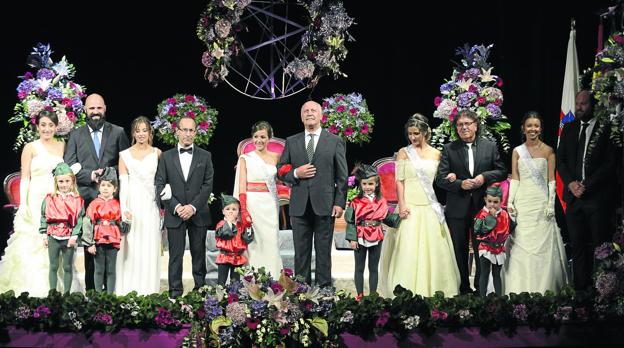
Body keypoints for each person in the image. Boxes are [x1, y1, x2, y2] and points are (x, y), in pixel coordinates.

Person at [0, 110, 83, 297]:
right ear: (37, 126)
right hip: (36, 198)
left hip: (57, 199)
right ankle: (32, 289)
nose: (47, 129)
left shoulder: (62, 145)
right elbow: (26, 178)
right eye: (43, 125)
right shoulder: (30, 147)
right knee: (36, 241)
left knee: (58, 239)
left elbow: (66, 172)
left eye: (50, 125)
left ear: (56, 127)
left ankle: (59, 290)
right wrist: (23, 204)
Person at [385, 114, 460, 297]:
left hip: (429, 207)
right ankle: (405, 292)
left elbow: (440, 179)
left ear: (425, 133)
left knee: (433, 253)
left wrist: (451, 177)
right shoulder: (404, 152)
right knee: (407, 251)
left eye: (416, 133)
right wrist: (402, 205)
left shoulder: (436, 154)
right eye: (410, 134)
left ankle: (433, 290)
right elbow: (399, 181)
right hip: (409, 207)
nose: (412, 137)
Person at [277, 100, 348, 286]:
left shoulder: (334, 141)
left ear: (321, 115)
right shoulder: (292, 141)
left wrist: (339, 203)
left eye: (313, 110)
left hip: (325, 205)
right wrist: (295, 173)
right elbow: (280, 169)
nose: (309, 113)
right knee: (301, 253)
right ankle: (302, 293)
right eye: (305, 110)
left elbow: (342, 176)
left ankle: (324, 294)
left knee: (323, 252)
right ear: (301, 116)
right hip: (299, 206)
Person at [436, 109, 507, 295]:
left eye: (468, 123)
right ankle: (463, 288)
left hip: (481, 210)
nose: (464, 127)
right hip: (457, 209)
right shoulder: (449, 149)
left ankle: (480, 289)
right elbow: (440, 179)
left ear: (476, 125)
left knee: (481, 250)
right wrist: (460, 184)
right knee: (459, 250)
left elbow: (501, 170)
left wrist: (484, 177)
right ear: (456, 128)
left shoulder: (489, 146)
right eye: (460, 125)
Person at [64, 93, 129, 291]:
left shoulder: (118, 132)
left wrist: (108, 174)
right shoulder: (76, 135)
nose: (95, 112)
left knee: (112, 250)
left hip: (112, 204)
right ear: (85, 110)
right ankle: (92, 293)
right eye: (91, 108)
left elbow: (126, 164)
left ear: (105, 108)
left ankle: (112, 292)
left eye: (98, 108)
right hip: (87, 201)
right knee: (90, 248)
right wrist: (91, 176)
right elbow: (68, 165)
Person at [557, 90, 617, 291]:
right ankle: (581, 290)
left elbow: (610, 163)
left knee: (600, 245)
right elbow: (561, 161)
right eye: (578, 103)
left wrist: (587, 185)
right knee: (577, 244)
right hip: (574, 198)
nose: (580, 107)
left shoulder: (606, 128)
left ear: (593, 105)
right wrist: (571, 183)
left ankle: (602, 291)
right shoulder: (569, 128)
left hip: (596, 198)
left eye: (584, 103)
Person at [503, 111, 568, 294]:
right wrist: (510, 202)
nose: (533, 129)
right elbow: (515, 179)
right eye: (529, 126)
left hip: (540, 205)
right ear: (523, 128)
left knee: (543, 247)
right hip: (523, 203)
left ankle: (545, 289)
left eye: (536, 126)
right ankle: (517, 290)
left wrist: (550, 204)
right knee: (520, 245)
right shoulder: (517, 151)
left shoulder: (548, 151)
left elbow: (551, 182)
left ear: (541, 129)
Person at [155, 116, 214, 298]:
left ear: (195, 133)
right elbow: (159, 184)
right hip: (175, 214)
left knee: (198, 254)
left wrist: (193, 207)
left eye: (191, 130)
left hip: (198, 213)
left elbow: (207, 185)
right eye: (184, 130)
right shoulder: (166, 157)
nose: (188, 134)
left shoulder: (205, 156)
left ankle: (200, 292)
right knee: (175, 256)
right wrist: (177, 206)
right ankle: (175, 293)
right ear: (177, 131)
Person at [116, 116, 162, 295]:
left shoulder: (157, 153)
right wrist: (124, 209)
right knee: (132, 247)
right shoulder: (124, 155)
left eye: (144, 130)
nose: (141, 134)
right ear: (133, 133)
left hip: (151, 206)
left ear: (150, 133)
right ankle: (128, 290)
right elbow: (124, 185)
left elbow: (161, 180)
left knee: (149, 247)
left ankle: (149, 291)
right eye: (138, 130)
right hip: (132, 205)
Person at [233, 121, 283, 278]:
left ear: (269, 138)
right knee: (254, 244)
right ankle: (253, 282)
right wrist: (243, 209)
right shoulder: (245, 158)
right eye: (255, 137)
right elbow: (241, 185)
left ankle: (273, 279)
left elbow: (284, 178)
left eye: (263, 136)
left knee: (271, 242)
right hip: (252, 203)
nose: (259, 140)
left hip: (270, 203)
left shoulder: (276, 157)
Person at [344, 163, 400, 300]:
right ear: (360, 184)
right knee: (359, 267)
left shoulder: (381, 201)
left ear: (376, 185)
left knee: (373, 268)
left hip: (376, 235)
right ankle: (359, 295)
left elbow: (387, 218)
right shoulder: (355, 202)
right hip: (360, 236)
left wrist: (400, 217)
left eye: (370, 184)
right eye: (364, 184)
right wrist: (352, 239)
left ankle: (373, 295)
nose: (367, 187)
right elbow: (351, 221)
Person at [39, 163, 85, 294]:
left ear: (72, 181)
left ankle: (66, 294)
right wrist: (44, 235)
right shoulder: (49, 198)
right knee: (53, 266)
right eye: (61, 181)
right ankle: (52, 293)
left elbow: (79, 220)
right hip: (53, 236)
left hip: (68, 238)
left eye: (67, 181)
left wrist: (74, 236)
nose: (64, 184)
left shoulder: (77, 200)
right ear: (56, 182)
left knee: (67, 266)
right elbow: (43, 216)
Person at [82, 168, 125, 294]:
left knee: (111, 269)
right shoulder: (94, 204)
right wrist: (89, 243)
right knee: (99, 269)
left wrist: (127, 221)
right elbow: (88, 223)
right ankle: (98, 296)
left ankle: (110, 295)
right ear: (98, 187)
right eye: (103, 185)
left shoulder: (117, 204)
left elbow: (121, 224)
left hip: (113, 239)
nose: (106, 188)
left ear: (115, 188)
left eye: (109, 185)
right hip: (98, 239)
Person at [473, 183, 511, 298]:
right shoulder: (482, 214)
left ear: (501, 201)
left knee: (496, 274)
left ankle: (499, 299)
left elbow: (507, 229)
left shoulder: (504, 214)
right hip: (485, 248)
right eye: (489, 201)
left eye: (495, 202)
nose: (492, 205)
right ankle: (482, 300)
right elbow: (479, 231)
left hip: (499, 248)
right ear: (485, 200)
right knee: (484, 274)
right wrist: (490, 217)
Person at [214, 194, 254, 286]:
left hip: (237, 257)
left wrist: (248, 226)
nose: (231, 212)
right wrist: (229, 222)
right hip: (224, 257)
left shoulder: (240, 225)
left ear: (238, 212)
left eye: (234, 209)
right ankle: (220, 297)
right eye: (228, 209)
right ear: (223, 211)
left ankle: (233, 297)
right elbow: (226, 235)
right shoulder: (221, 224)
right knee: (221, 281)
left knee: (235, 282)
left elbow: (247, 239)